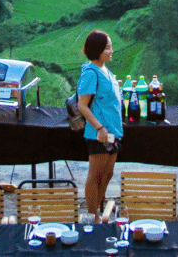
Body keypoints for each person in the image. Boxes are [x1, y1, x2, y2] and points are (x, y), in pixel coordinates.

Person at [77, 29, 123, 222]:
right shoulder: (90, 73)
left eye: (111, 47)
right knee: (95, 175)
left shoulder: (106, 70)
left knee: (108, 173)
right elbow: (82, 105)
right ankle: (93, 215)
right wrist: (99, 128)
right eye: (107, 48)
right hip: (100, 134)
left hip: (113, 132)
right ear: (96, 50)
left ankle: (98, 207)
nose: (111, 51)